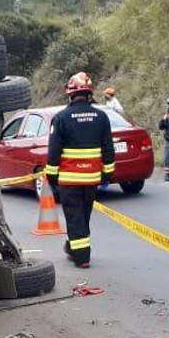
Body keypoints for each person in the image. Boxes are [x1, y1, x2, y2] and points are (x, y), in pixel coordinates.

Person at [45, 72, 115, 268]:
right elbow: (108, 148)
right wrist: (107, 173)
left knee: (74, 217)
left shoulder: (61, 118)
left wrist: (51, 175)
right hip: (91, 178)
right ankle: (73, 246)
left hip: (69, 180)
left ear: (70, 94)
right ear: (89, 93)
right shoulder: (101, 117)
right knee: (83, 215)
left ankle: (82, 257)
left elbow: (54, 151)